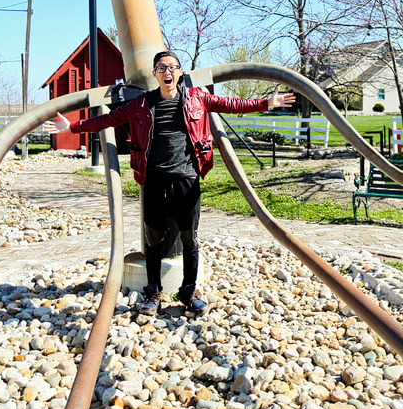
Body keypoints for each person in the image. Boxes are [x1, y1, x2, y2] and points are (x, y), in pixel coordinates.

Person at [45, 51, 294, 318]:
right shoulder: (140, 104)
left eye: (172, 67)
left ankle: (188, 291)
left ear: (179, 73)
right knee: (153, 238)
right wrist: (71, 127)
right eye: (162, 68)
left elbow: (230, 103)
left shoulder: (198, 98)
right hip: (152, 178)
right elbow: (106, 120)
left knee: (190, 238)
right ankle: (153, 293)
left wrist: (265, 103)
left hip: (187, 177)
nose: (167, 72)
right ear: (154, 74)